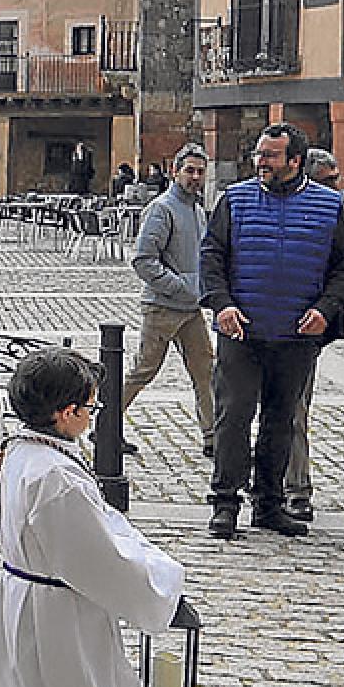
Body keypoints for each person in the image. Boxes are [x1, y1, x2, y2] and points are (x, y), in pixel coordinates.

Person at [0, 348, 186, 687]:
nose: (91, 415)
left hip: (26, 598)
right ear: (67, 413)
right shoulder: (56, 478)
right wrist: (161, 579)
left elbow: (95, 523)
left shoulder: (23, 451)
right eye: (91, 408)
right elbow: (99, 562)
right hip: (60, 617)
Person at [199, 122, 344, 539]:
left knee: (281, 420)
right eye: (258, 154)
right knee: (233, 416)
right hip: (241, 332)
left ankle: (269, 503)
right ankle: (225, 503)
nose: (260, 162)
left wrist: (326, 309)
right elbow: (212, 256)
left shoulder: (330, 205)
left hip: (296, 335)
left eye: (269, 155)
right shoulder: (233, 200)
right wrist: (222, 304)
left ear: (294, 161)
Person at [282, 148, 344, 521]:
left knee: (295, 409)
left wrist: (326, 312)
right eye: (329, 179)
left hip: (306, 329)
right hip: (262, 325)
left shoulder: (337, 212)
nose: (337, 186)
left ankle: (296, 488)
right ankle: (270, 481)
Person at [122, 144, 215, 460]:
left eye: (200, 171)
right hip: (162, 307)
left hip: (191, 310)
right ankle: (105, 424)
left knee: (205, 371)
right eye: (189, 170)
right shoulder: (162, 208)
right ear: (175, 172)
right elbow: (143, 259)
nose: (195, 176)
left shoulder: (198, 211)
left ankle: (212, 436)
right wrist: (178, 287)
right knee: (143, 371)